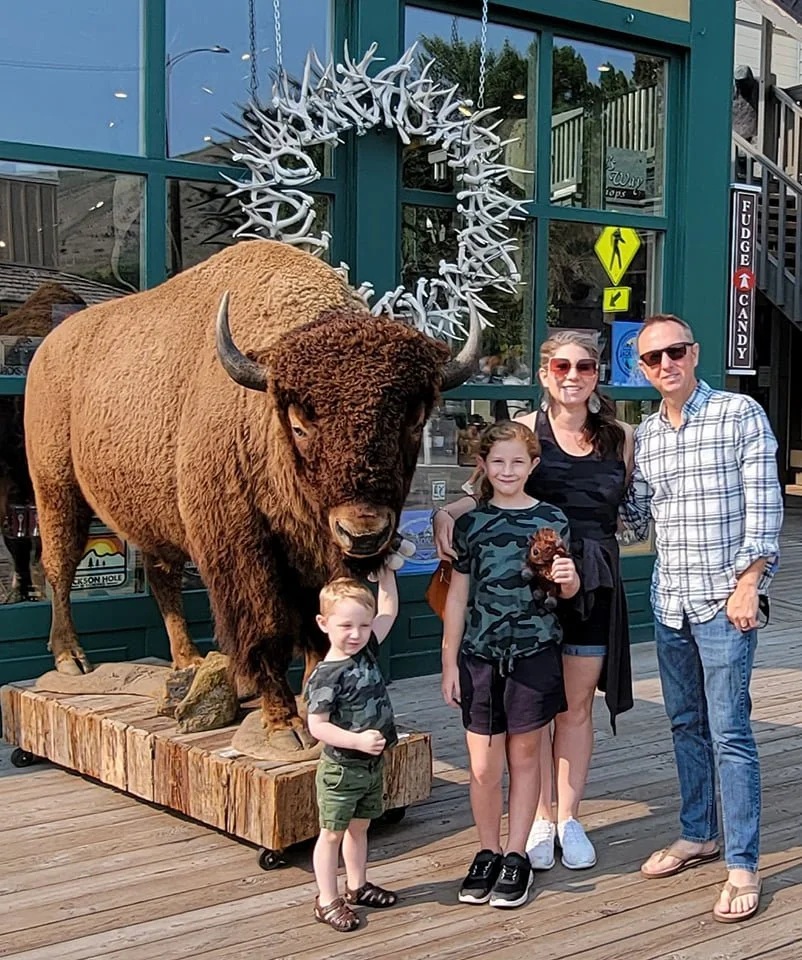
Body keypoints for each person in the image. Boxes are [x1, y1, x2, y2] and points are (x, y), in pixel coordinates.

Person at [434, 330, 634, 873]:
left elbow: (633, 509)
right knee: (534, 710)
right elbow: (487, 488)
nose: (574, 376)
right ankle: (540, 818)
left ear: (597, 374)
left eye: (586, 366)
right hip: (530, 585)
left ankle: (569, 817)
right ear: (545, 373)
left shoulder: (620, 436)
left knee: (576, 707)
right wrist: (446, 513)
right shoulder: (526, 428)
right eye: (562, 366)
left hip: (590, 578)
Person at [622, 314, 782, 924]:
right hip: (671, 604)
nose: (666, 364)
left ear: (695, 352)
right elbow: (636, 521)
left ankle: (742, 862)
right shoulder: (647, 436)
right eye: (653, 358)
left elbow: (764, 505)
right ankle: (699, 834)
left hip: (723, 604)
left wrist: (749, 584)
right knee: (686, 724)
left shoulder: (739, 415)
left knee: (731, 731)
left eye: (675, 352)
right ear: (641, 369)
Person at [441, 420, 580, 909]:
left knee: (524, 757)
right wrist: (448, 661)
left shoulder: (552, 519)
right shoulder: (471, 523)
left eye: (517, 462)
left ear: (533, 466)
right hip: (479, 656)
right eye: (497, 462)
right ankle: (486, 850)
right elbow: (458, 595)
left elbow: (566, 589)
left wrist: (568, 579)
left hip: (534, 654)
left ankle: (516, 854)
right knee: (482, 766)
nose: (507, 470)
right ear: (482, 466)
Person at [304, 571, 400, 933]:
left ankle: (357, 886)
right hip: (342, 768)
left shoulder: (367, 648)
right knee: (332, 833)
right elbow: (318, 727)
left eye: (363, 625)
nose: (357, 634)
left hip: (372, 766)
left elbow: (388, 609)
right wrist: (358, 741)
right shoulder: (326, 675)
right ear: (323, 624)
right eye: (346, 626)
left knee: (360, 828)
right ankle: (327, 899)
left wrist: (387, 575)